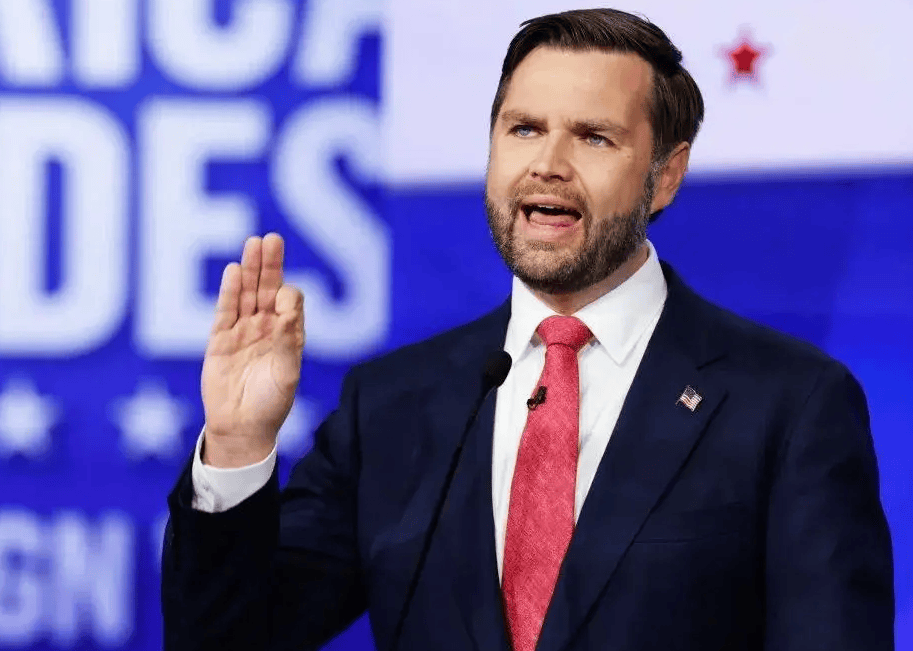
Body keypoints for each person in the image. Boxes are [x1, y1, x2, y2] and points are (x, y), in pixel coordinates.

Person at [161, 8, 894, 651]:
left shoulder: (788, 403)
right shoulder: (390, 404)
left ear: (665, 175)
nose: (547, 165)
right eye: (524, 129)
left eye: (594, 137)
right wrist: (237, 445)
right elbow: (227, 639)